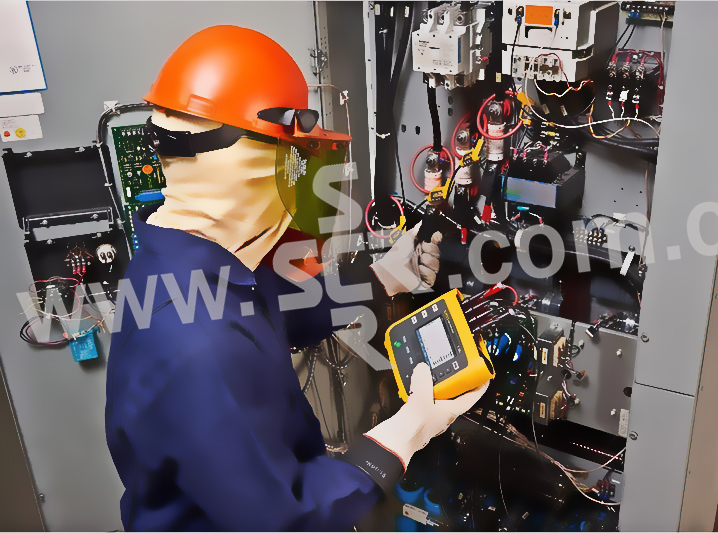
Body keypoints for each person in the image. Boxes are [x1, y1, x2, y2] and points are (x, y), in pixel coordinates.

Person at [105, 25, 489, 531]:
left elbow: (278, 309)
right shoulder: (195, 343)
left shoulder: (188, 258)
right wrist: (406, 433)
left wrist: (382, 278)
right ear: (260, 167)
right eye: (298, 159)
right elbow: (285, 519)